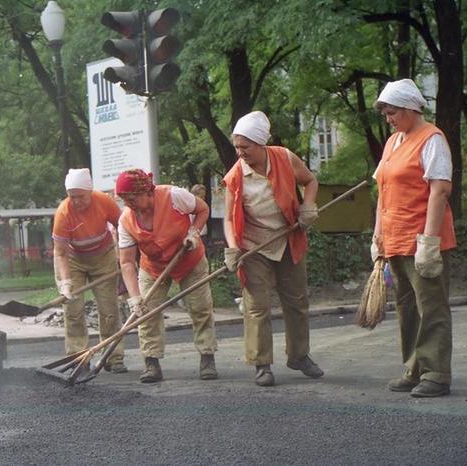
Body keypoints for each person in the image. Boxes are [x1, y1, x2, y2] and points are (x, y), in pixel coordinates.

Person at [222, 110, 323, 387]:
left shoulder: (284, 158)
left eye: (245, 147)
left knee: (297, 300)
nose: (240, 152)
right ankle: (262, 364)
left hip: (288, 238)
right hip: (255, 246)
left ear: (261, 144)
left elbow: (310, 181)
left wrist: (308, 206)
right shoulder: (235, 177)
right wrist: (233, 249)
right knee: (257, 307)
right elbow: (230, 219)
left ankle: (299, 355)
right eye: (236, 147)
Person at [372, 79, 457, 398]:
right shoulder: (393, 142)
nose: (389, 119)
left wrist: (430, 242)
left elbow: (440, 189)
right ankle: (414, 367)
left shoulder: (432, 139)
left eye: (392, 112)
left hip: (422, 239)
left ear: (410, 108)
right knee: (407, 308)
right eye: (386, 114)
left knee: (431, 306)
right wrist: (378, 233)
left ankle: (436, 373)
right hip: (395, 239)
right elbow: (382, 190)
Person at [116, 169, 218, 383]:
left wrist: (193, 232)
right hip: (153, 267)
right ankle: (151, 362)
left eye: (132, 198)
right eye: (125, 200)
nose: (129, 204)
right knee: (146, 313)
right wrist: (135, 298)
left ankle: (207, 357)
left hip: (189, 259)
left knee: (200, 308)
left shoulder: (174, 196)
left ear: (145, 191)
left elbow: (202, 209)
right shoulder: (126, 220)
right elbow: (126, 262)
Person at [52, 168, 127, 374]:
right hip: (73, 260)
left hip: (103, 258)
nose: (76, 201)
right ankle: (78, 359)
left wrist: (123, 255)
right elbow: (60, 253)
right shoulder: (63, 213)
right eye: (72, 196)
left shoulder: (104, 202)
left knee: (109, 309)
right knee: (73, 310)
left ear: (90, 191)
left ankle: (114, 356)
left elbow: (123, 228)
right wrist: (66, 282)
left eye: (81, 196)